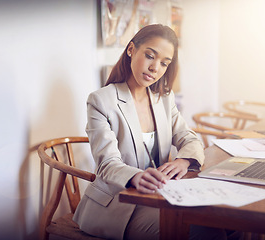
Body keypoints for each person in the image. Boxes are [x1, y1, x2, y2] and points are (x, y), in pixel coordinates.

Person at [73, 24, 230, 240]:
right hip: (119, 206)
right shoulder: (101, 100)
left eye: (164, 63)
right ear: (131, 50)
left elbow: (189, 138)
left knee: (225, 222)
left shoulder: (163, 98)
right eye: (150, 56)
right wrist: (136, 176)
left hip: (160, 196)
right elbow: (107, 164)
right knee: (204, 231)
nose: (155, 68)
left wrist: (183, 161)